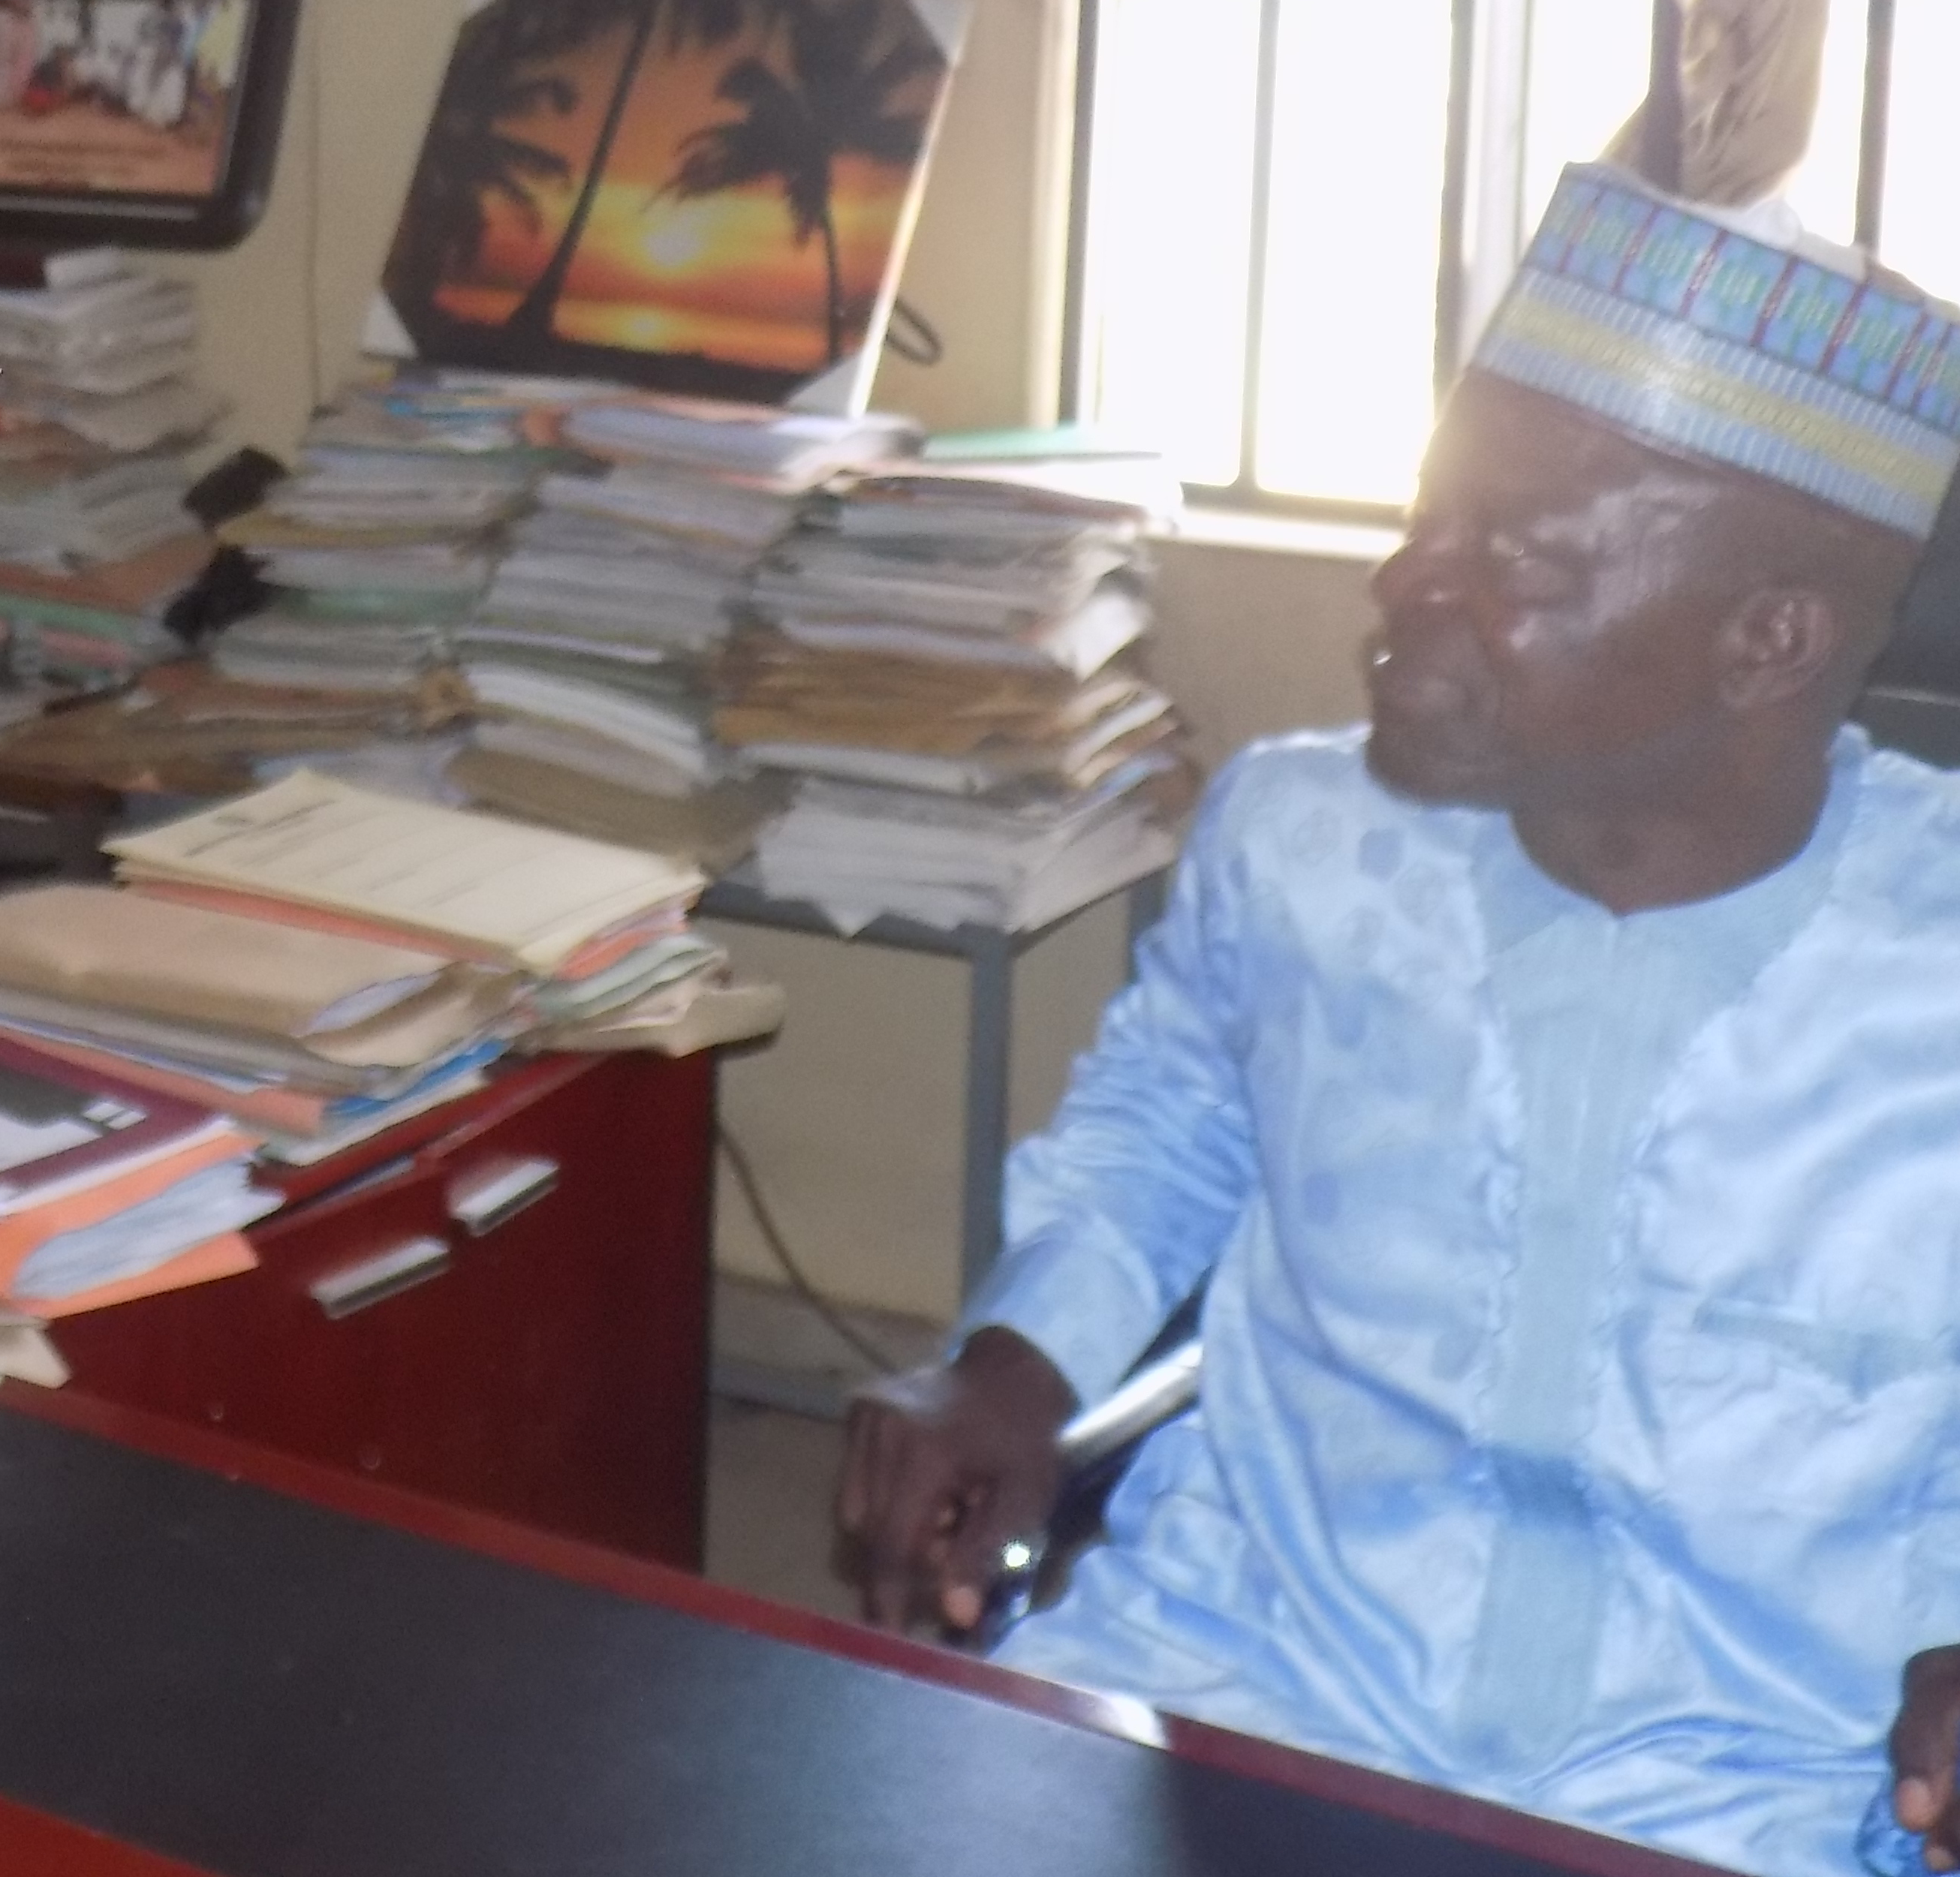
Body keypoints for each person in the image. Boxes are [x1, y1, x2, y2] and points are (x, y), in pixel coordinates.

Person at [838, 161, 1960, 1877]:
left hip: (1737, 1781)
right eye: (1421, 518)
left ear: (1766, 639)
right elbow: (1177, 1117)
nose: (1402, 586)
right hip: (1237, 1678)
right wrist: (1009, 1365)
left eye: (1505, 551)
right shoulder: (1301, 845)